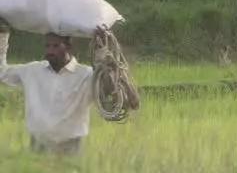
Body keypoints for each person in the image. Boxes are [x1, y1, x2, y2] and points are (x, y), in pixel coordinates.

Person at [0, 20, 140, 155]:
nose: (50, 51)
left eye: (55, 46)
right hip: (37, 145)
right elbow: (2, 73)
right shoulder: (32, 71)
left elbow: (127, 99)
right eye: (47, 46)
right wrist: (2, 36)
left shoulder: (88, 76)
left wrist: (104, 57)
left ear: (68, 47)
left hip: (70, 149)